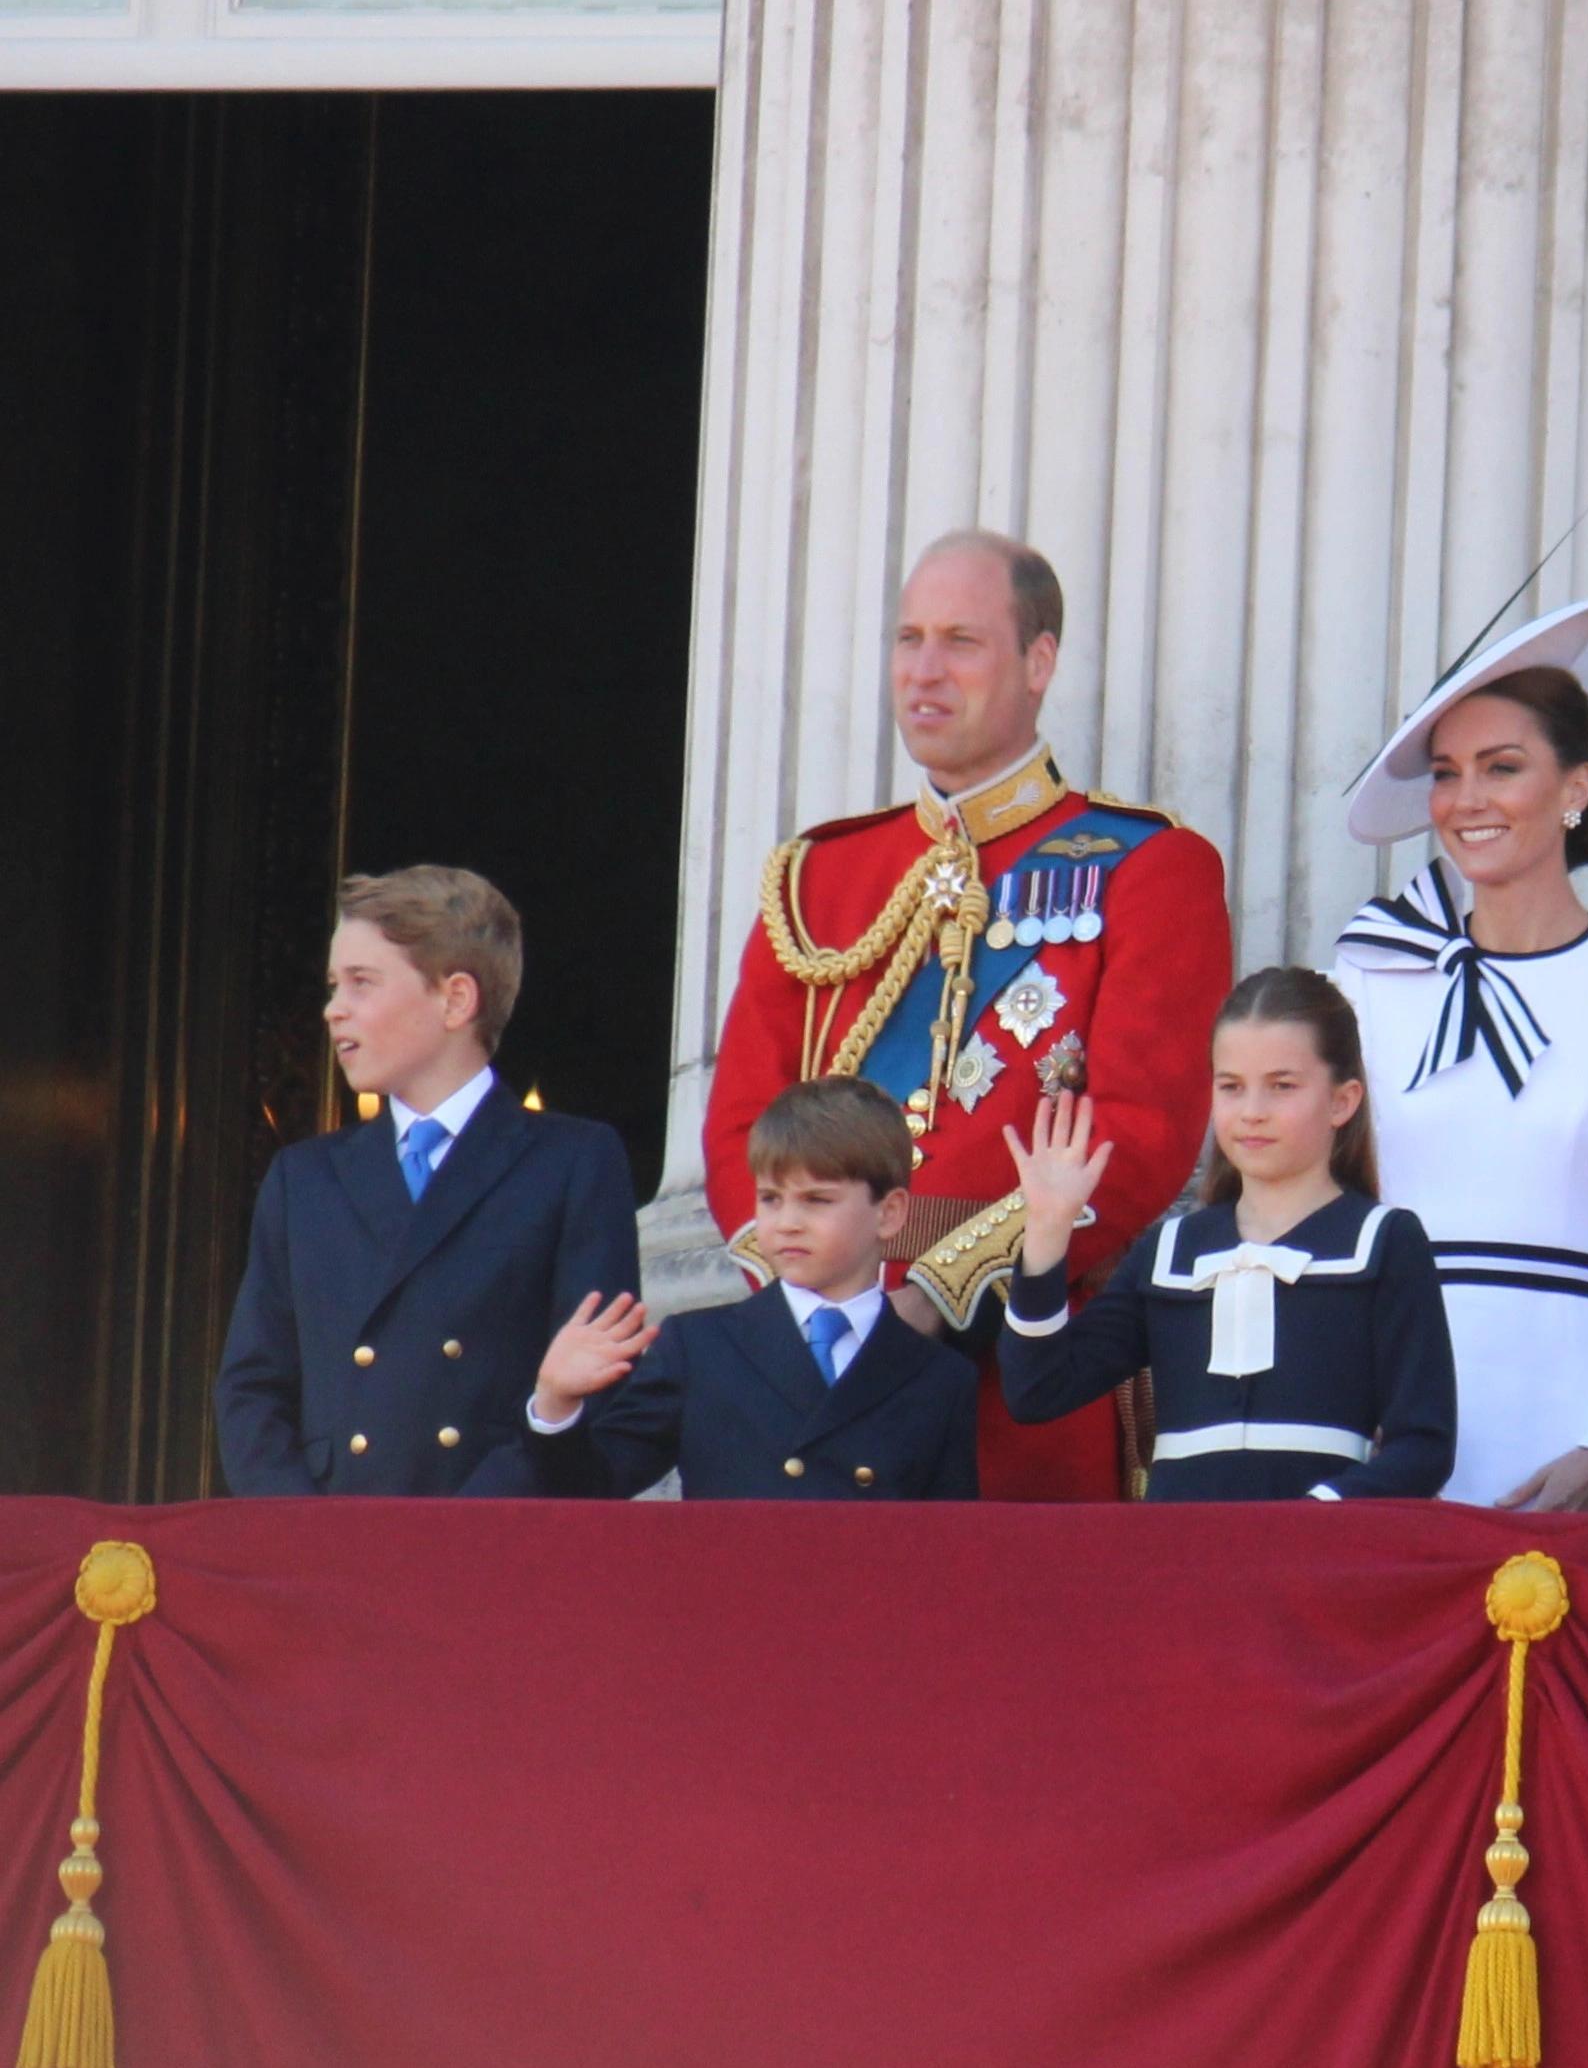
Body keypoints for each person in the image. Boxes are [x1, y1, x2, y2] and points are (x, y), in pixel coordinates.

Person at [699, 530, 1234, 1500]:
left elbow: (1144, 1134)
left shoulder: (1147, 867)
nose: (924, 671)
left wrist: (939, 1293)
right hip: (808, 1373)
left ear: (1039, 662)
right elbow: (740, 1124)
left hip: (1016, 1386)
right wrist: (808, 1302)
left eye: (961, 640)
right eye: (908, 640)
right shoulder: (818, 876)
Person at [1329, 586, 1588, 1510]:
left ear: (1575, 788)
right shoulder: (1373, 970)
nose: (1465, 799)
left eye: (1501, 767)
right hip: (1381, 1415)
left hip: (1570, 1419)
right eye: (1446, 771)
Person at [215, 868, 640, 1497]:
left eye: (362, 983)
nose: (334, 1008)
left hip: (487, 1551)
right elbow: (253, 1388)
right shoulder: (301, 1179)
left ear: (456, 1000)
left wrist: (458, 1533)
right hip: (326, 1552)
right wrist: (299, 1533)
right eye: (335, 984)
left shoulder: (573, 1161)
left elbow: (596, 1381)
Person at [997, 969, 1456, 1501]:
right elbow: (1036, 1389)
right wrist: (1048, 1231)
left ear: (1342, 1101)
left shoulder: (1384, 1241)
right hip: (1178, 1560)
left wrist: (1320, 1514)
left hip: (1318, 1563)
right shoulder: (1170, 1251)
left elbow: (1425, 1446)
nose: (1252, 1113)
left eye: (1282, 1086)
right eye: (1231, 1087)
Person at [475, 1080, 981, 1501]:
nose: (787, 1223)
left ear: (889, 1213)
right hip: (726, 1613)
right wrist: (555, 1404)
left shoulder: (938, 1377)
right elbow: (593, 1490)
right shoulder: (700, 1348)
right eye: (770, 1198)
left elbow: (944, 1555)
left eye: (816, 1200)